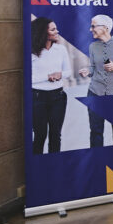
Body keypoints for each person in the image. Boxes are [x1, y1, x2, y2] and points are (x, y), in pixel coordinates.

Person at [78, 14, 113, 147]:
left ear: (105, 28)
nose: (90, 29)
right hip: (95, 93)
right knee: (96, 131)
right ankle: (98, 158)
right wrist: (87, 71)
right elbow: (93, 68)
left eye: (93, 26)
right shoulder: (93, 46)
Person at [31, 17, 71, 153]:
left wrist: (60, 74)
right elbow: (29, 78)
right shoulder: (31, 51)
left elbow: (68, 72)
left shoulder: (61, 49)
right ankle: (38, 164)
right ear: (43, 32)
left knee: (55, 136)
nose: (57, 31)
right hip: (37, 98)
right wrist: (47, 77)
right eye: (53, 29)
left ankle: (54, 163)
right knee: (40, 135)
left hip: (58, 97)